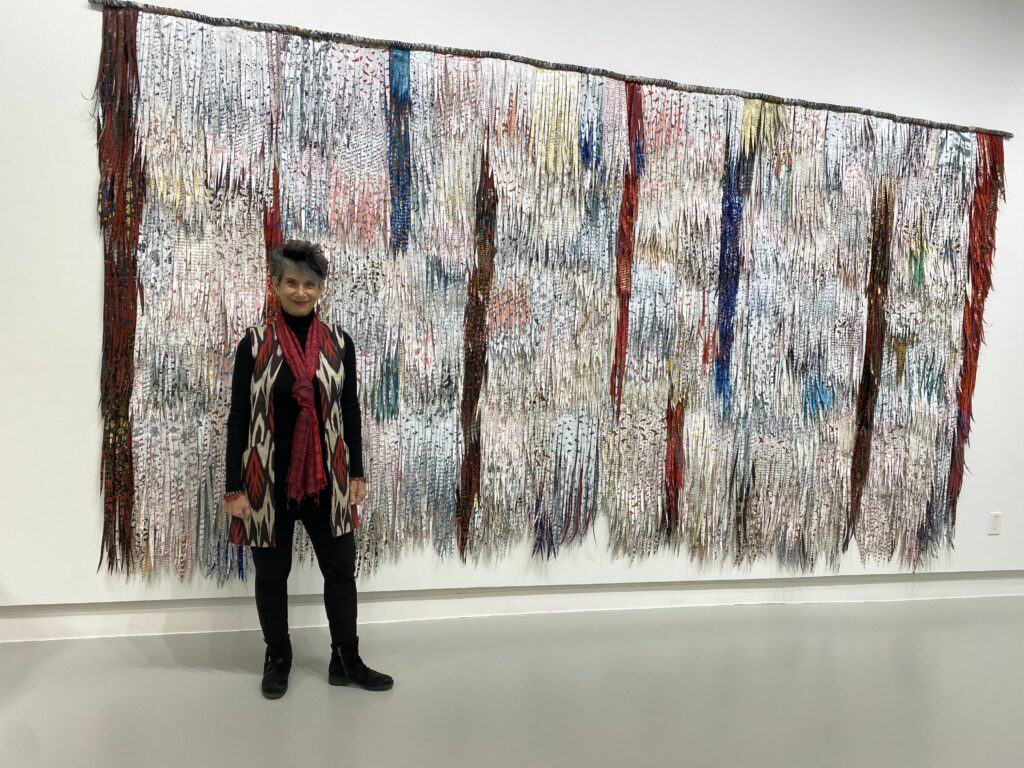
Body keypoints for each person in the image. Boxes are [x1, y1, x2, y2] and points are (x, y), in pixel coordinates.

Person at [224, 239, 393, 699]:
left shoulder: (339, 344)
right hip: (266, 480)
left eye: (310, 284)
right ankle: (278, 655)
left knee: (340, 569)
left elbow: (351, 411)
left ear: (321, 289)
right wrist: (233, 486)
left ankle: (346, 659)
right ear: (276, 286)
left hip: (328, 478)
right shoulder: (254, 344)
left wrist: (356, 473)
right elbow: (239, 416)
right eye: (291, 282)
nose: (301, 291)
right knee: (271, 574)